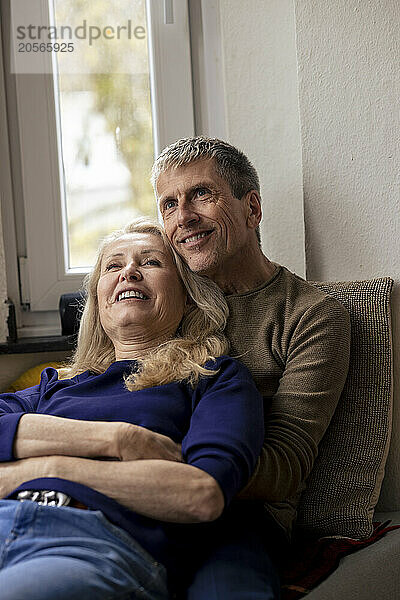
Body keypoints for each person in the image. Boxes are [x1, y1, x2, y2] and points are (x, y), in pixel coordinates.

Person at [0, 218, 265, 600]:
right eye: (113, 265)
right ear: (98, 301)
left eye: (152, 262)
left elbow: (200, 494)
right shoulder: (55, 385)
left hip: (90, 545)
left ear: (187, 296)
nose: (129, 272)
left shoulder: (214, 379)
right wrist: (117, 439)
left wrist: (48, 467)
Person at [151, 136, 352, 599]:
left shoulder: (311, 314)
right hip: (134, 495)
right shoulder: (164, 300)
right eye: (169, 204)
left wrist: (153, 461)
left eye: (202, 194)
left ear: (252, 208)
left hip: (242, 518)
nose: (183, 217)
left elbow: (285, 466)